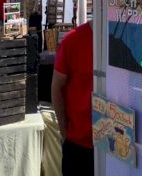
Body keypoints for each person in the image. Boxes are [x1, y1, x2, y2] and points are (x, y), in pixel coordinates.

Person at [51, 21, 94, 175]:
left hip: (116, 147)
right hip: (79, 144)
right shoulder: (73, 40)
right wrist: (65, 132)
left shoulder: (125, 38)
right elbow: (57, 88)